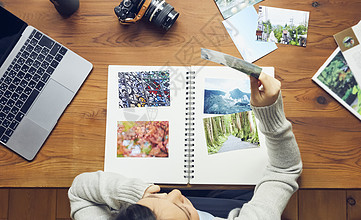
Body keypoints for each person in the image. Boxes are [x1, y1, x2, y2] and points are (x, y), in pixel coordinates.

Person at [68, 72, 302, 219]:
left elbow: (79, 192)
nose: (176, 192)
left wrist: (138, 195)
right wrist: (270, 112)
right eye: (185, 212)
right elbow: (285, 169)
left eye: (160, 199)